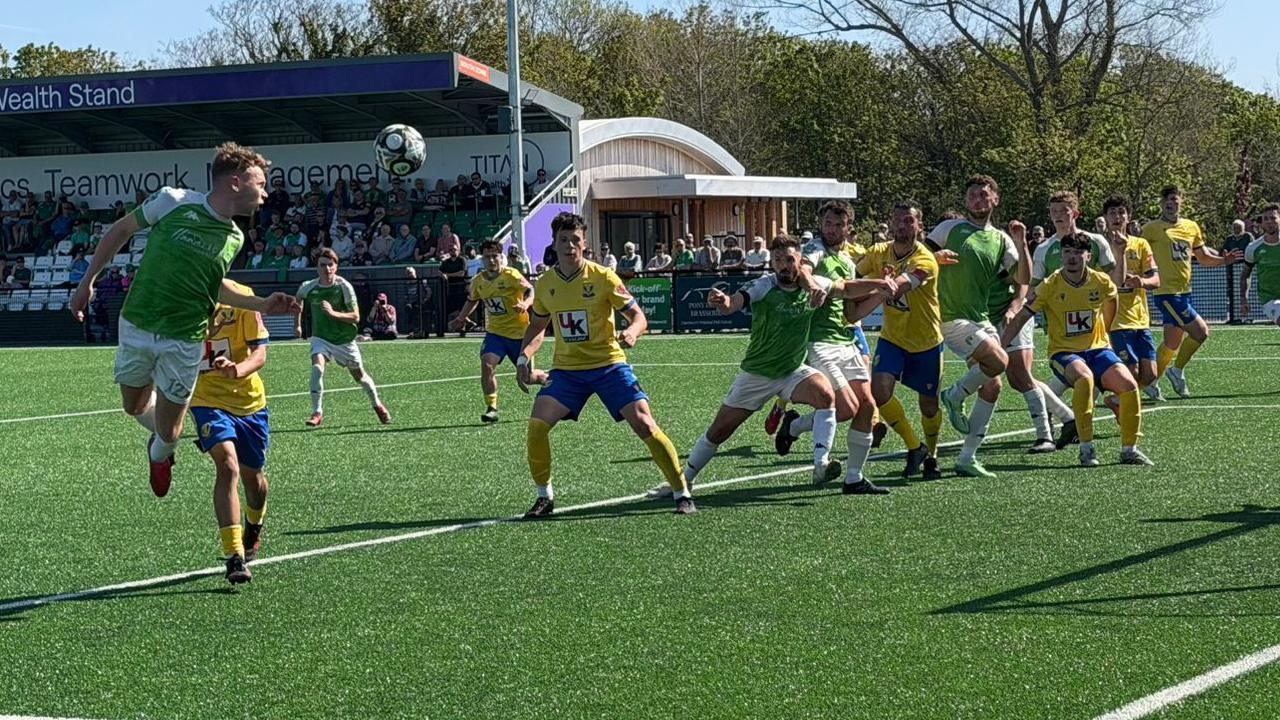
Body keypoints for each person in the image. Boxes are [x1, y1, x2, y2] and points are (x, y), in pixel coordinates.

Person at [69, 142, 300, 497]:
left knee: (171, 433)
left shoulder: (234, 237)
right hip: (138, 323)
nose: (266, 193)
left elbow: (215, 285)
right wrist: (87, 282)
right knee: (132, 406)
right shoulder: (172, 201)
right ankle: (159, 442)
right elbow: (120, 231)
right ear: (235, 182)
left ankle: (161, 454)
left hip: (186, 338)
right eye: (261, 183)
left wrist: (262, 304)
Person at [515, 212, 694, 517]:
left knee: (645, 424)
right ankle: (544, 497)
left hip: (609, 364)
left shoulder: (603, 277)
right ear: (554, 244)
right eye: (563, 240)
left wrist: (632, 332)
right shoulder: (545, 284)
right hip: (568, 371)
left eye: (576, 240)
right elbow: (537, 328)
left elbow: (639, 317)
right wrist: (523, 357)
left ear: (585, 244)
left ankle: (681, 492)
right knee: (536, 426)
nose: (570, 246)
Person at [683, 234, 890, 493]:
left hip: (792, 371)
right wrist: (723, 302)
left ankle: (821, 465)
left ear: (799, 261)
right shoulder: (763, 286)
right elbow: (734, 303)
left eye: (789, 259)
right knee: (720, 430)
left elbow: (847, 289)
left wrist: (880, 284)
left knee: (825, 394)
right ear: (772, 263)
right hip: (759, 373)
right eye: (778, 260)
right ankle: (685, 478)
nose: (784, 265)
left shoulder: (815, 286)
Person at [773, 200, 895, 493]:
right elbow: (803, 270)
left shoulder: (849, 263)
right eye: (828, 223)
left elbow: (851, 314)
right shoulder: (815, 249)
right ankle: (794, 428)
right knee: (845, 407)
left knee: (865, 407)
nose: (832, 229)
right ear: (821, 224)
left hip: (846, 341)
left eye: (839, 224)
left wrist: (881, 292)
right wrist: (813, 285)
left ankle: (853, 477)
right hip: (819, 342)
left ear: (848, 227)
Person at [1001, 234, 1152, 467]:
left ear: (1088, 256)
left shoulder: (1100, 281)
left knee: (1129, 385)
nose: (1072, 257)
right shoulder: (1050, 285)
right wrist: (1002, 345)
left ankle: (1129, 450)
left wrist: (1106, 333)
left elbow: (1112, 298)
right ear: (1061, 255)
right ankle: (1086, 448)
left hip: (1098, 349)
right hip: (1063, 353)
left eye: (1078, 252)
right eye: (1068, 252)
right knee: (1084, 378)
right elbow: (1023, 315)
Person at [925, 175, 1030, 478]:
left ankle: (967, 458)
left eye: (984, 195)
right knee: (1000, 360)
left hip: (979, 317)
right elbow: (917, 257)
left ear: (995, 199)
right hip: (948, 316)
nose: (977, 199)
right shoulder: (950, 228)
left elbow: (1022, 278)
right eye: (972, 195)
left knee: (993, 384)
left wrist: (1022, 242)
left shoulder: (1001, 239)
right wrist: (934, 257)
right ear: (965, 200)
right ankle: (955, 395)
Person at [856, 201, 951, 480]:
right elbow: (852, 273)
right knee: (879, 390)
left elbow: (906, 284)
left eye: (909, 220)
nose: (902, 225)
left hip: (926, 342)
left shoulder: (925, 259)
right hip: (893, 338)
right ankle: (914, 446)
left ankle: (931, 455)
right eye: (897, 220)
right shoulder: (878, 252)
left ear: (919, 226)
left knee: (929, 405)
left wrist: (888, 283)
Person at [189, 280, 272, 584]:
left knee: (256, 480)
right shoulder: (184, 296)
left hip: (249, 403)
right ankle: (234, 556)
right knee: (227, 466)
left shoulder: (244, 297)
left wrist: (235, 369)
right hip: (206, 400)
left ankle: (255, 524)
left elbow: (261, 354)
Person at [1142, 185, 1242, 397]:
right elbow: (1138, 253)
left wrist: (1224, 260)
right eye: (1166, 200)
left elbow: (1203, 257)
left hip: (1184, 291)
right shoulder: (1151, 229)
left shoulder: (1191, 227)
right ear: (1161, 204)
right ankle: (1176, 371)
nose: (1170, 203)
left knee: (1171, 343)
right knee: (1201, 332)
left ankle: (1151, 382)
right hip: (1167, 293)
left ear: (1181, 202)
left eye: (1174, 199)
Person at [295, 249, 391, 427]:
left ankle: (377, 404)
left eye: (330, 265)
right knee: (317, 369)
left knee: (360, 377)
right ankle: (317, 412)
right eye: (322, 265)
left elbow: (356, 317)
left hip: (344, 339)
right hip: (320, 338)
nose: (326, 269)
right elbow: (298, 299)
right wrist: (297, 324)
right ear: (316, 268)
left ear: (336, 267)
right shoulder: (309, 286)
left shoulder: (344, 287)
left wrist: (332, 313)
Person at [448, 239, 534, 423]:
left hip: (520, 334)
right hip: (496, 333)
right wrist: (461, 318)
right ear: (482, 260)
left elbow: (531, 290)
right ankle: (492, 408)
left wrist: (525, 304)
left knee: (528, 377)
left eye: (494, 256)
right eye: (487, 257)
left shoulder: (512, 275)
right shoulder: (478, 281)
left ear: (501, 257)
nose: (491, 260)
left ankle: (550, 381)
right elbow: (472, 300)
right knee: (487, 365)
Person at [1101, 195, 1162, 400]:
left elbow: (1156, 279)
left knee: (1151, 374)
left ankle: (1116, 398)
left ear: (1128, 217)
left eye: (1121, 213)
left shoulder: (1141, 244)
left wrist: (1141, 282)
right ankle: (1121, 402)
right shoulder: (1099, 245)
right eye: (1112, 213)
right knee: (1131, 370)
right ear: (1105, 218)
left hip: (1140, 318)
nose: (1117, 217)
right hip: (1116, 320)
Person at [1241, 204, 1280, 326]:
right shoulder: (1253, 248)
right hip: (1270, 298)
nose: (1269, 222)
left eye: (1273, 218)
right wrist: (1244, 299)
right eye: (1266, 219)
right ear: (1262, 223)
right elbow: (1245, 275)